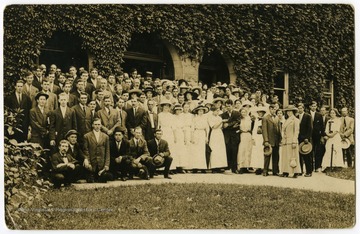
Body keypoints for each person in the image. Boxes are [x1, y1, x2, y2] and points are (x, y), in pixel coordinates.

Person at [83, 118, 113, 183]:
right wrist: (88, 163)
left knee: (105, 178)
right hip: (92, 164)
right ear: (92, 125)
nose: (97, 126)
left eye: (99, 124)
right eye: (95, 124)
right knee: (90, 181)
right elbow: (86, 151)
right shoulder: (87, 136)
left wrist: (106, 165)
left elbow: (107, 152)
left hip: (101, 165)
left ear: (101, 125)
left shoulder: (105, 137)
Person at [280, 105, 301, 178]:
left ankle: (295, 172)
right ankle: (285, 171)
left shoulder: (296, 120)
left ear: (293, 112)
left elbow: (296, 131)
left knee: (293, 156)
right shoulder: (286, 120)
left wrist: (294, 141)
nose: (288, 112)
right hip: (286, 141)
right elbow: (283, 131)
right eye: (287, 111)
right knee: (286, 157)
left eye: (290, 111)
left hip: (292, 141)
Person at [221, 99, 241, 173]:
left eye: (229, 106)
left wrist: (228, 124)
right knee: (228, 151)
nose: (228, 108)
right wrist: (230, 125)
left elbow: (237, 122)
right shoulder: (223, 115)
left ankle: (234, 168)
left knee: (234, 151)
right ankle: (228, 167)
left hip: (234, 135)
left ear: (232, 106)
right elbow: (223, 124)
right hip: (227, 135)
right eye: (226, 106)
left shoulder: (237, 113)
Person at [262, 103, 281, 176]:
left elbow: (279, 129)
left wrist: (280, 139)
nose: (273, 110)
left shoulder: (277, 118)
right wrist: (266, 140)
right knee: (267, 155)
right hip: (269, 140)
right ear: (269, 109)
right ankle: (265, 171)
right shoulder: (265, 118)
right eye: (272, 109)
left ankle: (275, 171)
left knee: (276, 156)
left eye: (275, 109)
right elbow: (264, 130)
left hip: (276, 140)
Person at [190, 105, 209, 173]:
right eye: (199, 111)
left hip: (202, 134)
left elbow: (207, 128)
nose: (201, 112)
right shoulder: (194, 119)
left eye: (202, 111)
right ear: (197, 111)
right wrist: (192, 137)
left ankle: (202, 168)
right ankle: (195, 167)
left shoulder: (205, 118)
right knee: (196, 151)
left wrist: (206, 137)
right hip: (196, 133)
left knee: (202, 150)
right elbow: (192, 128)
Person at [207, 107, 227, 173]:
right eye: (216, 111)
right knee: (214, 149)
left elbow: (221, 127)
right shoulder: (210, 117)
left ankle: (219, 166)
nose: (217, 112)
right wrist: (221, 121)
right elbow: (214, 126)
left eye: (218, 111)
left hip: (219, 133)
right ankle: (214, 167)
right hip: (214, 133)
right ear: (213, 111)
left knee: (220, 150)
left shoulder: (219, 117)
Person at [250, 106, 267, 175]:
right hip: (257, 137)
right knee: (256, 152)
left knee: (262, 152)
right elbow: (254, 129)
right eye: (259, 112)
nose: (260, 114)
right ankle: (257, 168)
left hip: (262, 137)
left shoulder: (265, 119)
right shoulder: (256, 120)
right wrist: (253, 138)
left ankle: (263, 167)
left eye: (261, 113)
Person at [297, 103, 313, 177]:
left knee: (306, 155)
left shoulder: (308, 116)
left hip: (305, 139)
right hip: (298, 138)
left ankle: (309, 171)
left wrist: (307, 137)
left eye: (301, 108)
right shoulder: (296, 116)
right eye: (298, 108)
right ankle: (300, 171)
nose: (299, 109)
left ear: (303, 108)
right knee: (299, 155)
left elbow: (310, 128)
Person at [309, 101, 325, 172]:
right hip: (309, 135)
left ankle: (317, 167)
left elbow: (322, 127)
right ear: (310, 107)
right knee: (309, 151)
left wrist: (322, 136)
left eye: (315, 106)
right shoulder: (307, 114)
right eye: (312, 106)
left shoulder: (319, 115)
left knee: (318, 151)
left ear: (316, 107)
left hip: (317, 136)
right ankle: (310, 167)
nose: (313, 107)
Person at [237, 107, 253, 174]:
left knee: (248, 150)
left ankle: (247, 166)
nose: (243, 113)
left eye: (244, 112)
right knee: (241, 150)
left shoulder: (250, 119)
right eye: (242, 112)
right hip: (242, 135)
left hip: (248, 135)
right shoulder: (239, 119)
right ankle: (241, 166)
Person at [172, 104, 187, 173]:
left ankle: (180, 167)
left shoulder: (182, 117)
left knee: (181, 150)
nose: (178, 111)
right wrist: (175, 137)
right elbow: (173, 127)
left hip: (181, 133)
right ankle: (175, 166)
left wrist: (185, 137)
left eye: (179, 110)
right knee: (175, 150)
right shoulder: (173, 117)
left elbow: (184, 128)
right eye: (177, 110)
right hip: (175, 133)